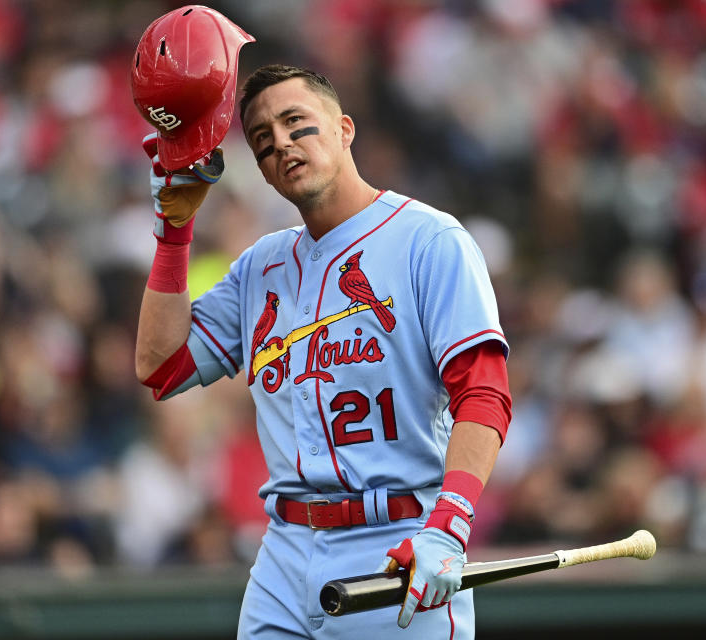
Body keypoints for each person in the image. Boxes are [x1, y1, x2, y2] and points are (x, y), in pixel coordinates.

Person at [131, 7, 511, 638]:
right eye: (261, 140)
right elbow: (161, 365)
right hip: (284, 549)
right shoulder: (261, 267)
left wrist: (451, 522)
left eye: (295, 124)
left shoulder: (428, 240)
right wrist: (175, 231)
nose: (280, 143)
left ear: (343, 129)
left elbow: (486, 391)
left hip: (396, 542)